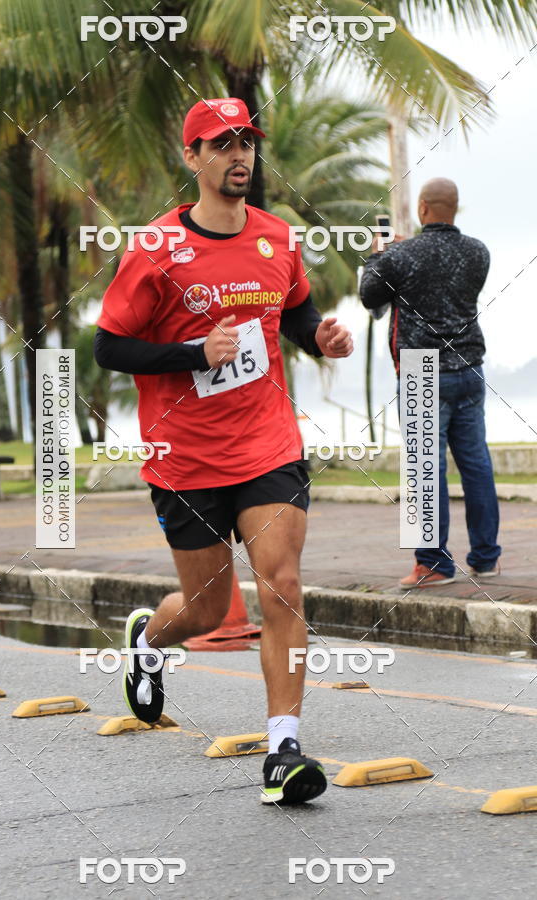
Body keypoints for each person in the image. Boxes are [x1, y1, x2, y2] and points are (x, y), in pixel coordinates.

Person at [94, 97, 354, 805]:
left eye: (246, 141)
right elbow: (109, 345)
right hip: (184, 457)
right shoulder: (155, 248)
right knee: (209, 612)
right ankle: (149, 640)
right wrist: (190, 351)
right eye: (222, 144)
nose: (239, 155)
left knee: (283, 583)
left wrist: (318, 338)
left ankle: (283, 750)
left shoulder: (276, 237)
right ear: (193, 157)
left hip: (268, 442)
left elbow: (294, 311)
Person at [360, 177, 501, 588]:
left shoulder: (401, 256)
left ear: (422, 208)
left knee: (425, 470)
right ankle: (486, 557)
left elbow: (371, 295)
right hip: (470, 365)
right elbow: (441, 276)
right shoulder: (479, 252)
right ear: (453, 208)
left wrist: (379, 256)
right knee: (476, 464)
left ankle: (434, 564)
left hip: (423, 369)